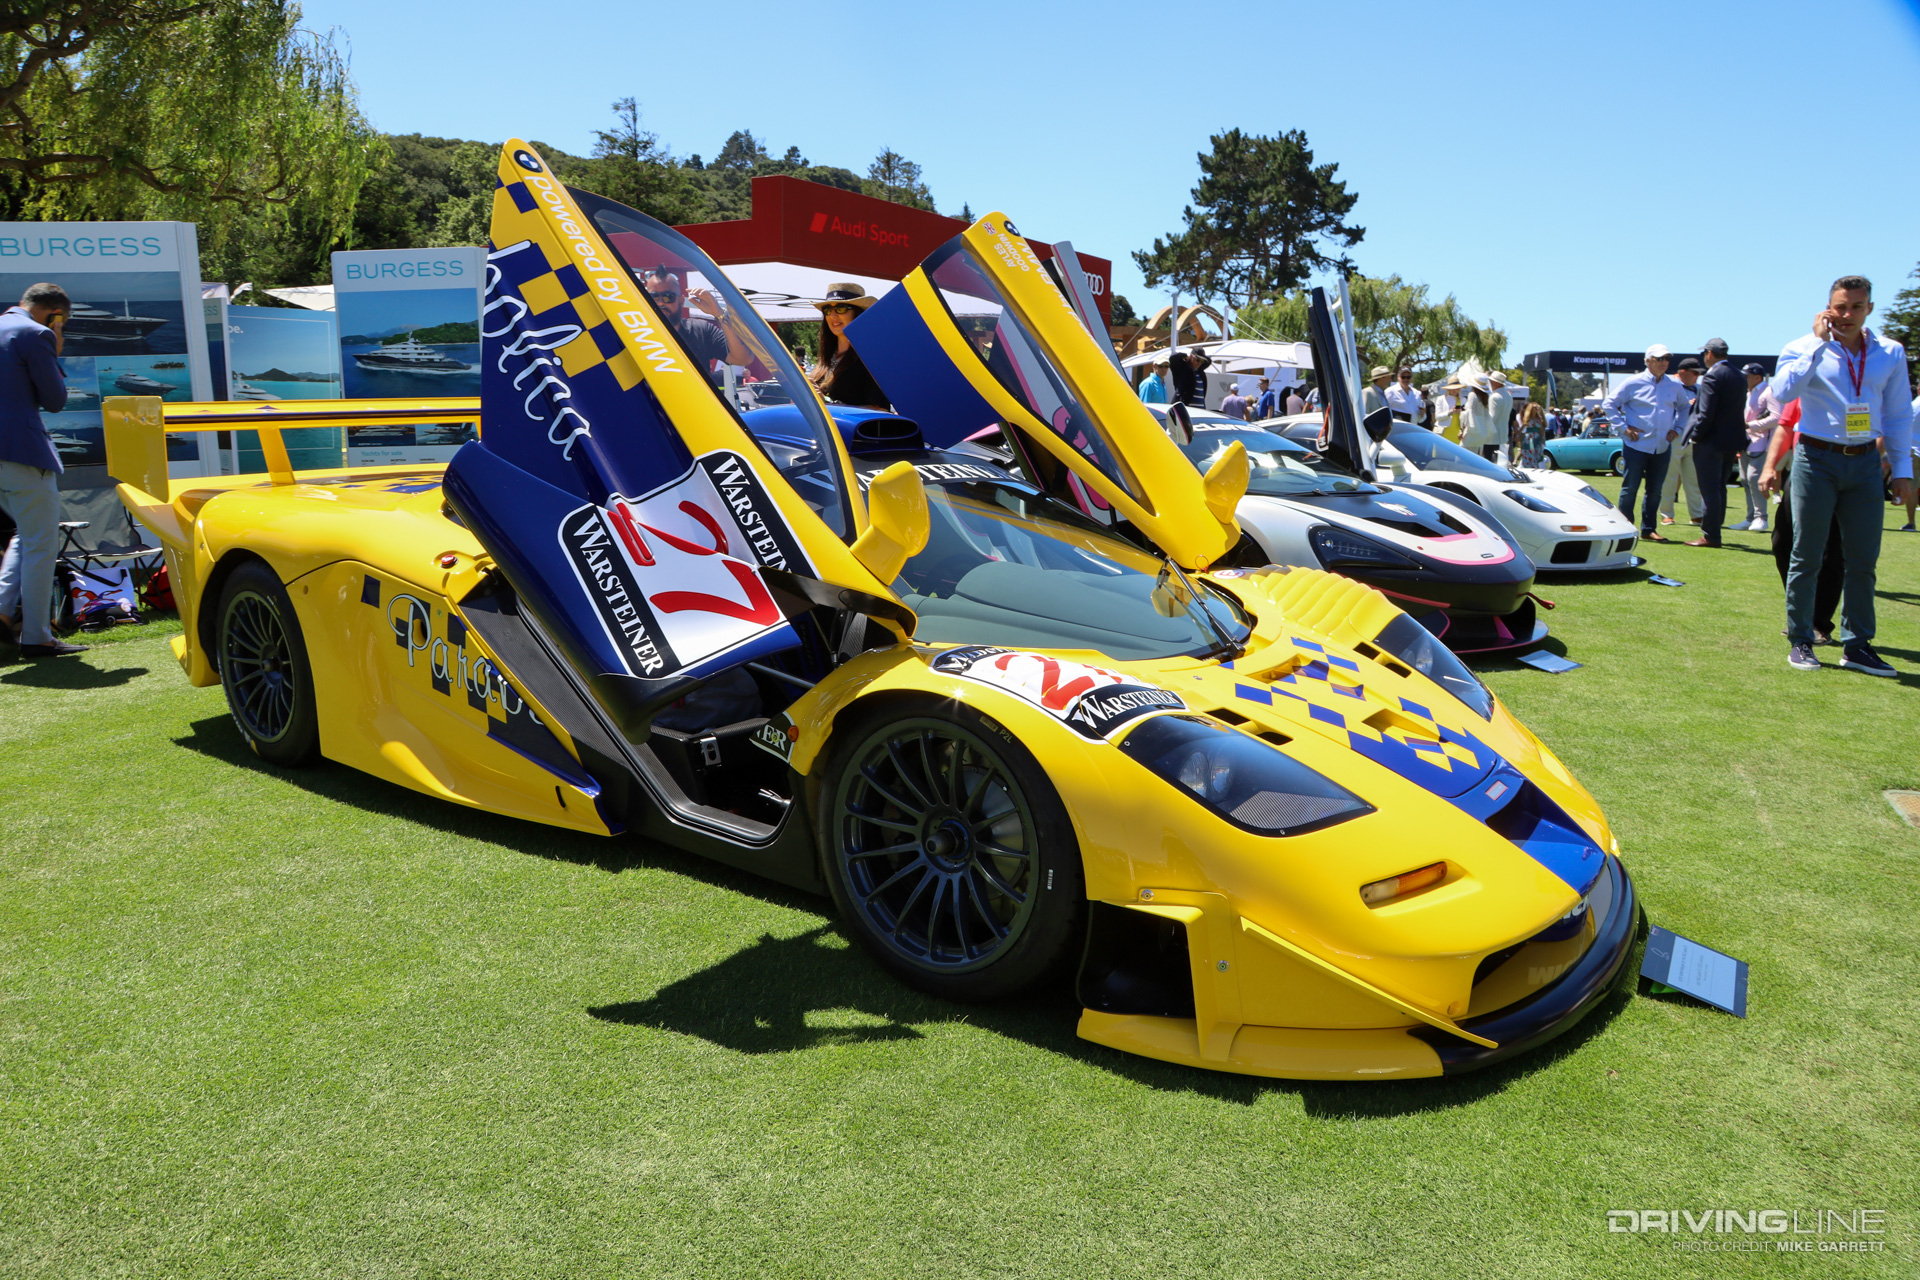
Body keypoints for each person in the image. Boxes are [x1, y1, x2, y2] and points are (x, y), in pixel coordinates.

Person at [1762, 274, 1913, 675]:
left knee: (1862, 559)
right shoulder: (1801, 347)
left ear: (1869, 309)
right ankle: (1801, 640)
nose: (1847, 315)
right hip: (1815, 457)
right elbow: (1783, 392)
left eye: (1856, 308)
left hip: (1865, 462)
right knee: (1806, 554)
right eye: (1840, 307)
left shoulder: (1890, 352)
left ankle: (1858, 644)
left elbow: (1898, 415)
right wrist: (1817, 344)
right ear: (1827, 307)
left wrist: (1902, 470)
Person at [0, 282, 86, 657]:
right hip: (20, 452)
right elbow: (55, 400)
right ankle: (36, 637)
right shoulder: (36, 334)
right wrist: (57, 337)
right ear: (55, 313)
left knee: (26, 534)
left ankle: (2, 612)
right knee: (40, 543)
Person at [1759, 399, 1842, 644]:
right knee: (1782, 541)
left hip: (1840, 470)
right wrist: (1770, 466)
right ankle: (1800, 613)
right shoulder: (1803, 388)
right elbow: (1785, 427)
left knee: (1831, 549)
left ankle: (1817, 623)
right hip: (1803, 469)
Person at [1602, 344, 1692, 541]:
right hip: (1636, 444)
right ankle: (1625, 528)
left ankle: (1648, 529)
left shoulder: (1674, 385)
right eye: (1659, 359)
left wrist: (1677, 429)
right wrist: (1623, 428)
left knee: (1655, 490)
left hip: (1662, 446)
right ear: (1648, 361)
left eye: (1666, 359)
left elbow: (1685, 408)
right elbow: (1608, 404)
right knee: (1630, 488)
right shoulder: (1633, 382)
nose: (1664, 362)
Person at [1683, 338, 1746, 547]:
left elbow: (1705, 413)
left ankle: (1711, 535)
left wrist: (1696, 435)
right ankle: (1714, 529)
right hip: (1730, 440)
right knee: (1719, 487)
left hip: (1710, 440)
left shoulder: (1713, 376)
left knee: (1709, 488)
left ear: (1709, 353)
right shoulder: (1738, 374)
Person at [642, 267, 749, 385]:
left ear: (681, 300)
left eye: (668, 296)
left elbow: (742, 358)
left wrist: (718, 313)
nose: (661, 302)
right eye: (654, 297)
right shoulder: (634, 333)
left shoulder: (701, 330)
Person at [804, 282, 889, 410]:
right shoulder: (826, 358)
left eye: (841, 308)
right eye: (827, 310)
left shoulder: (870, 358)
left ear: (858, 313)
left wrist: (829, 407)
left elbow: (881, 409)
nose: (833, 315)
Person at [1659, 358, 1707, 525]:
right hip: (1675, 436)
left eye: (1699, 374)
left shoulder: (1700, 389)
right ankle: (1666, 514)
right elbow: (1664, 409)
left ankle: (1696, 514)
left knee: (1693, 479)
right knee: (1670, 477)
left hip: (1694, 438)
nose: (1697, 377)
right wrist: (1687, 404)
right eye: (1695, 373)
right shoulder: (1669, 385)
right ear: (1682, 372)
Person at [1740, 362, 1780, 531]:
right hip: (1747, 442)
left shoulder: (1769, 391)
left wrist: (1751, 425)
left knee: (1754, 479)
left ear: (1757, 377)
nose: (1744, 379)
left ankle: (1761, 517)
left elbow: (1777, 417)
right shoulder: (1748, 392)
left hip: (1762, 444)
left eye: (1746, 376)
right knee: (1745, 479)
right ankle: (1750, 518)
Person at [1486, 370, 1515, 464]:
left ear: (1495, 382)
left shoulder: (1495, 396)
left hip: (1492, 436)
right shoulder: (1508, 396)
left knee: (1489, 461)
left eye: (1490, 381)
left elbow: (1492, 417)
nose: (1489, 383)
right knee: (1501, 462)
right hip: (1503, 434)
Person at [1518, 402, 1547, 469]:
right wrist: (1520, 442)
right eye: (1534, 407)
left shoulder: (1539, 419)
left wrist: (1543, 442)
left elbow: (1541, 431)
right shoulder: (1527, 419)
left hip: (1537, 440)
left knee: (1536, 456)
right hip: (1528, 440)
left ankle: (1535, 467)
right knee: (1528, 455)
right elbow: (1521, 431)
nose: (1536, 409)